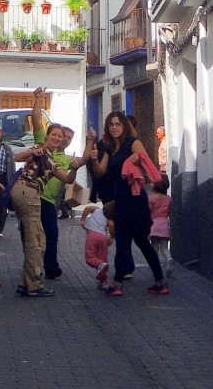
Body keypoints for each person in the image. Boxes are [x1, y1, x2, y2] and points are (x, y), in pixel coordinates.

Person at [90, 111, 168, 297]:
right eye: (111, 124)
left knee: (131, 241)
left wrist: (133, 159)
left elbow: (144, 158)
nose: (114, 127)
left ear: (124, 125)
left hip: (134, 199)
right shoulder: (109, 148)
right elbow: (100, 172)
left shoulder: (132, 142)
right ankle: (158, 282)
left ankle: (119, 283)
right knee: (132, 241)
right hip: (120, 199)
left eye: (118, 124)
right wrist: (94, 159)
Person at [30, 88, 94, 279]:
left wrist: (91, 140)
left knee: (52, 234)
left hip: (49, 202)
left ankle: (50, 267)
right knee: (32, 236)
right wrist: (38, 99)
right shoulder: (42, 142)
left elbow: (83, 160)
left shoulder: (66, 159)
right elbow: (36, 120)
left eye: (68, 138)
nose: (64, 140)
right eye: (62, 136)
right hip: (33, 197)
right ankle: (32, 269)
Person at [11, 125, 77, 297]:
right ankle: (34, 285)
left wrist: (75, 168)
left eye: (60, 136)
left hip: (30, 194)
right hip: (27, 191)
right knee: (35, 241)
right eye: (54, 134)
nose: (57, 138)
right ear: (47, 136)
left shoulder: (53, 161)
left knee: (39, 240)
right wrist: (34, 152)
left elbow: (68, 179)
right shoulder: (39, 149)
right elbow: (17, 157)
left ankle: (25, 283)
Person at [80, 203, 114, 285]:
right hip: (103, 237)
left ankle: (100, 264)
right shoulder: (110, 217)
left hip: (92, 236)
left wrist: (83, 219)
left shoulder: (98, 209)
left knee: (90, 257)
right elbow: (111, 224)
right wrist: (112, 237)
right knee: (103, 259)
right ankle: (103, 281)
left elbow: (87, 208)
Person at [148, 176, 173, 275]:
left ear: (156, 185)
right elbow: (169, 212)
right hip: (164, 224)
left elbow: (148, 212)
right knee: (164, 247)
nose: (150, 184)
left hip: (154, 225)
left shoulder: (151, 199)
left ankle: (156, 267)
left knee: (154, 247)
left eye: (152, 182)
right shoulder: (168, 199)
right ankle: (169, 258)